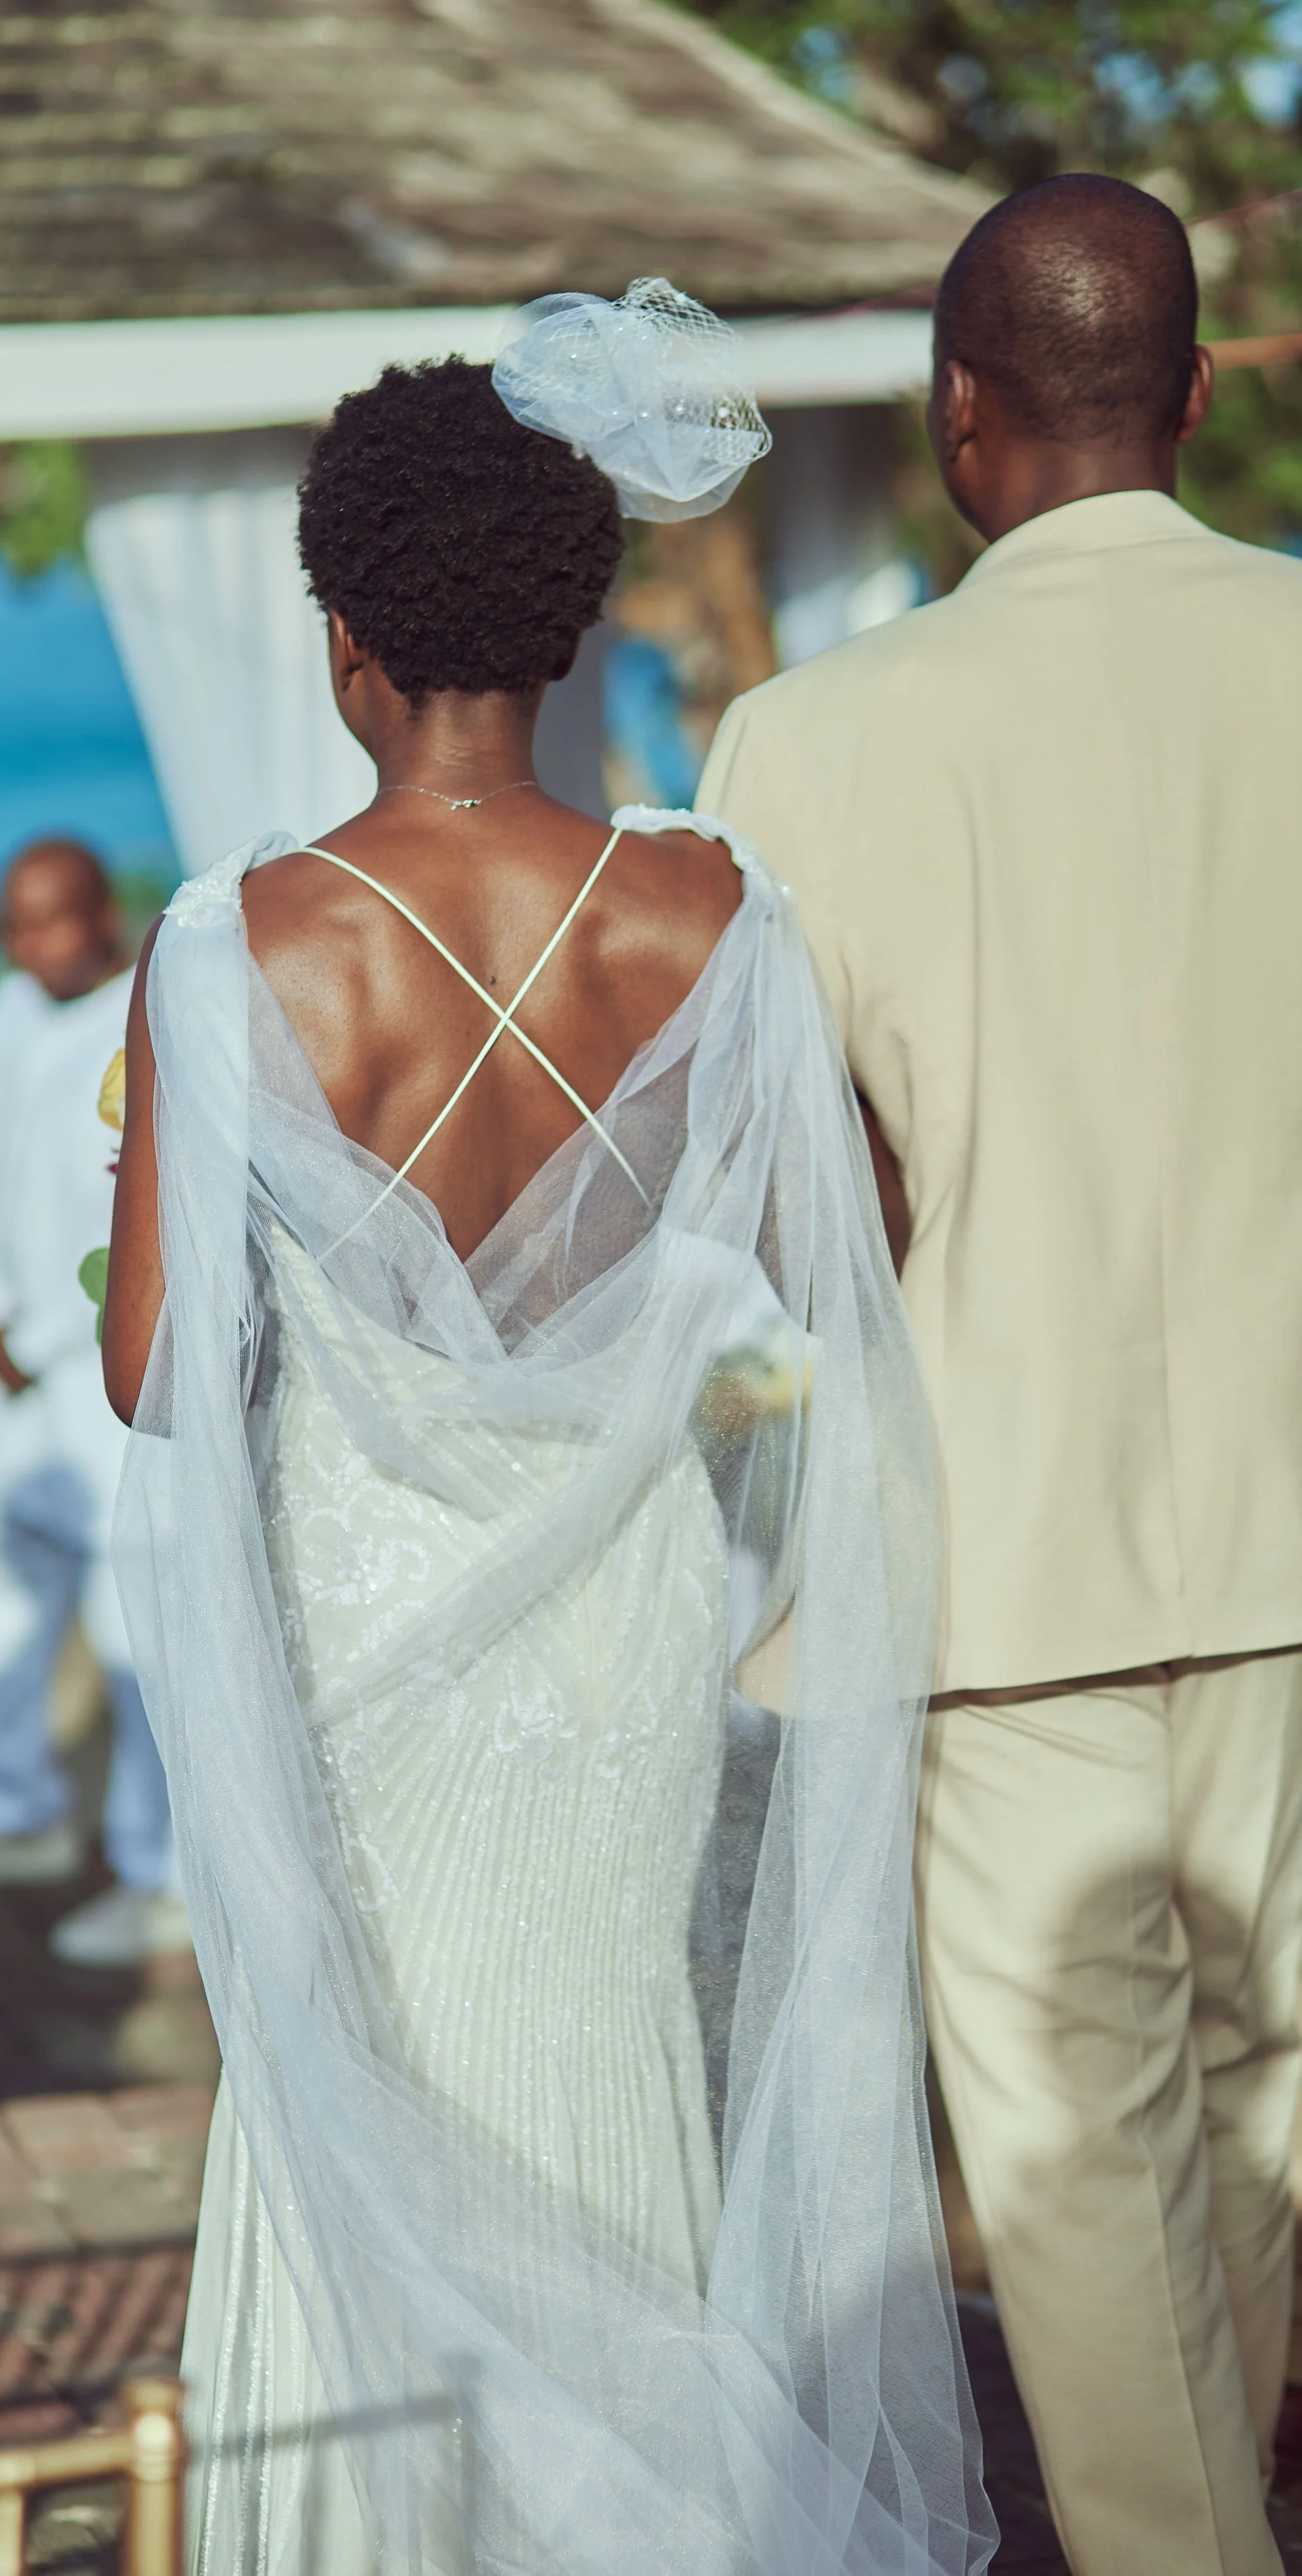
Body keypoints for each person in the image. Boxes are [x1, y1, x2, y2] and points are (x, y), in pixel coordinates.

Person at [105, 304, 994, 2576]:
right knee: (609, 2100)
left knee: (370, 2114)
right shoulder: (714, 916)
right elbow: (842, 1259)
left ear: (345, 642)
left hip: (363, 1654)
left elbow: (146, 1370)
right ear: (570, 619)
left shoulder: (235, 952)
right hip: (619, 1644)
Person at [698, 174, 1302, 2576]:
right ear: (1183, 398)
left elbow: (786, 1206)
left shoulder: (812, 737)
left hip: (1003, 1548)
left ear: (963, 422)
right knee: (1270, 2109)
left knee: (1077, 2169)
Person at [0, 838, 186, 1969]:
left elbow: (133, 1223)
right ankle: (15, 1809)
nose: (26, 947)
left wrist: (45, 1332)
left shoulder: (146, 1020)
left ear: (101, 916)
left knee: (130, 1637)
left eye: (48, 922)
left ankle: (159, 1874)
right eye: (12, 926)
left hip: (88, 1367)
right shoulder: (10, 1013)